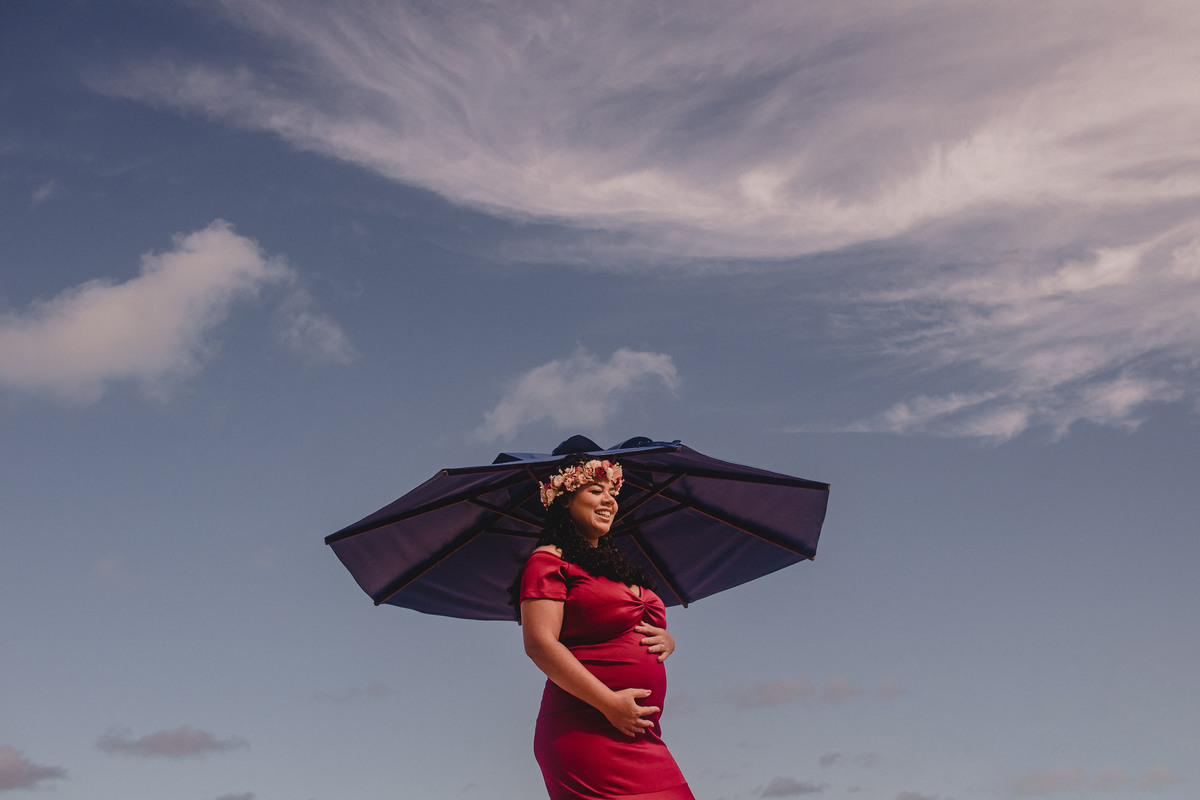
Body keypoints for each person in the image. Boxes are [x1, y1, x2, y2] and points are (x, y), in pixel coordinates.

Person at [513, 454, 694, 800]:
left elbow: (622, 624)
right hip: (586, 724)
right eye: (596, 491)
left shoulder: (612, 569)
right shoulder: (548, 560)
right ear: (565, 501)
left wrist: (667, 639)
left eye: (612, 492)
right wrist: (609, 703)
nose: (609, 499)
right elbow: (539, 643)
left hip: (637, 730)